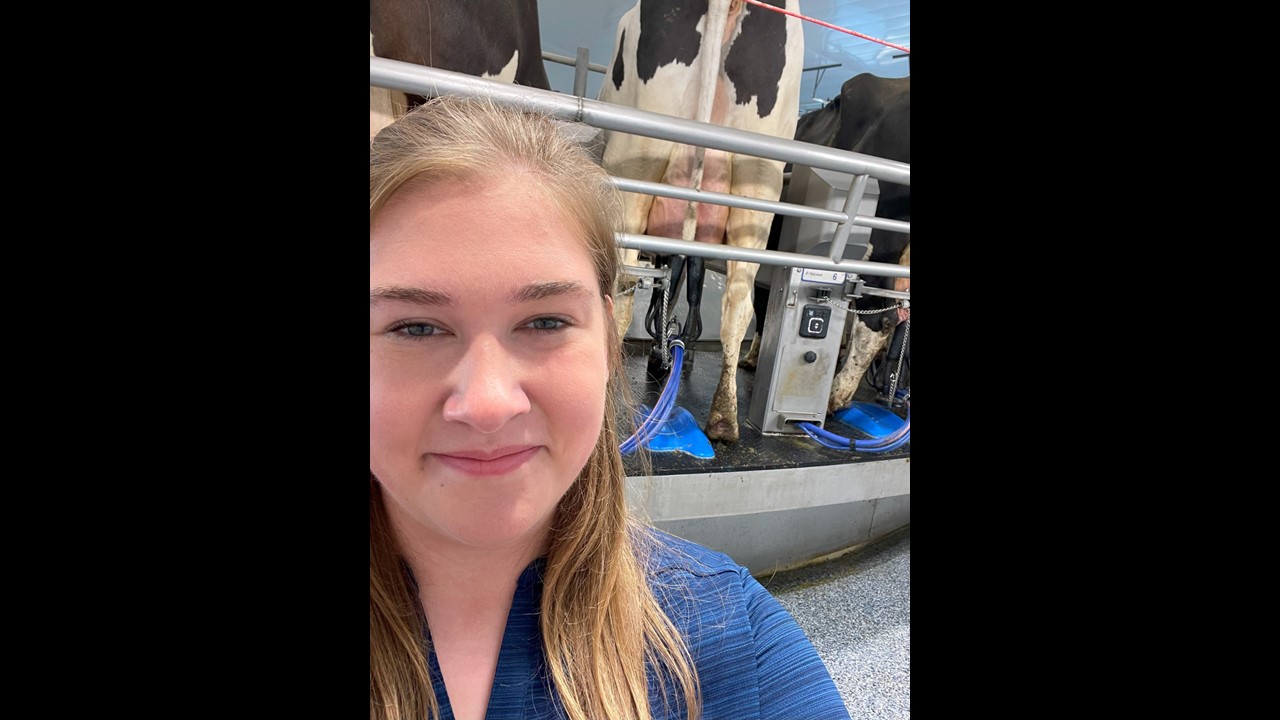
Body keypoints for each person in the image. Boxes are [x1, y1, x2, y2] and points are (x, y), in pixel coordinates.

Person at [370, 94, 851, 720]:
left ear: (607, 338)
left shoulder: (737, 648)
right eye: (415, 328)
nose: (487, 404)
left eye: (544, 321)